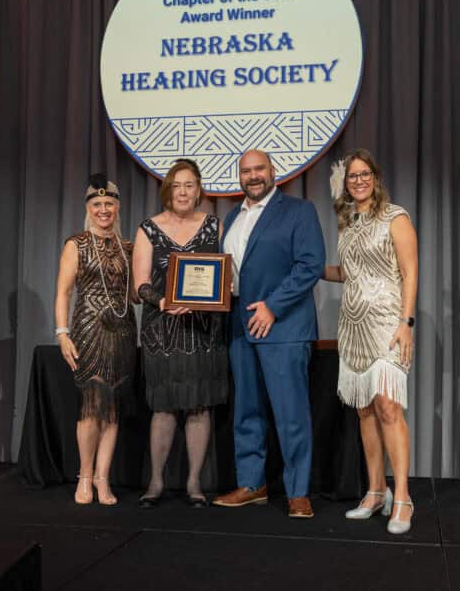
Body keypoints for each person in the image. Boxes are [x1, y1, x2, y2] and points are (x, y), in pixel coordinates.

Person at [212, 150, 325, 518]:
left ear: (273, 171)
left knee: (291, 414)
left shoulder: (299, 211)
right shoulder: (232, 217)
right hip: (240, 327)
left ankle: (298, 492)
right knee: (247, 412)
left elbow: (310, 265)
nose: (253, 176)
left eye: (259, 168)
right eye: (246, 171)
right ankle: (251, 484)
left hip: (283, 326)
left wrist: (273, 306)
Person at [322, 149, 418, 534]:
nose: (358, 181)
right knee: (364, 410)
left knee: (388, 406)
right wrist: (311, 268)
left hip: (387, 324)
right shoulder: (347, 221)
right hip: (352, 326)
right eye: (352, 176)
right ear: (345, 183)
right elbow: (349, 273)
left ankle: (403, 497)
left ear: (375, 178)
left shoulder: (396, 217)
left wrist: (406, 323)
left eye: (365, 174)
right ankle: (376, 492)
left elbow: (410, 272)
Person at [132, 159, 229, 508]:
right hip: (163, 331)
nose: (183, 192)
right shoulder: (149, 229)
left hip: (204, 331)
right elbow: (140, 284)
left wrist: (223, 290)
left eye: (189, 185)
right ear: (167, 190)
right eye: (177, 185)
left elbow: (227, 274)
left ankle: (194, 483)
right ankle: (156, 482)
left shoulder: (215, 226)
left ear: (199, 190)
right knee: (164, 408)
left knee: (200, 407)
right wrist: (162, 302)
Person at [54, 173, 137, 506]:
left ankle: (103, 478)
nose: (104, 209)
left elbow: (135, 293)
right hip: (89, 329)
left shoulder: (128, 248)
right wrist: (62, 333)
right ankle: (85, 476)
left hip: (123, 331)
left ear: (118, 207)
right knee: (92, 404)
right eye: (97, 204)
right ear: (88, 208)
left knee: (112, 407)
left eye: (109, 203)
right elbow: (63, 292)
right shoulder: (76, 244)